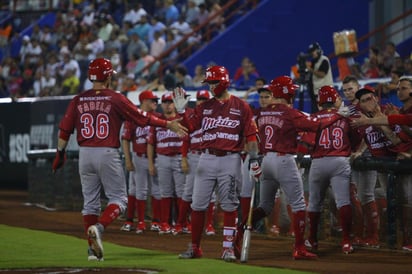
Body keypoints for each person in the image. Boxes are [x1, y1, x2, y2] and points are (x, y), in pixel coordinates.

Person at [51, 58, 187, 261]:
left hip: (85, 153)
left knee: (90, 204)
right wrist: (168, 125)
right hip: (106, 151)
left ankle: (92, 251)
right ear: (107, 77)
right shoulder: (115, 98)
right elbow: (143, 117)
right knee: (119, 200)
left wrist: (60, 153)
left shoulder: (78, 99)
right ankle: (99, 227)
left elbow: (64, 130)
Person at [236, 76, 337, 260]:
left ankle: (239, 232)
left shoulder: (262, 113)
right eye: (292, 89)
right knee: (298, 204)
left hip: (265, 160)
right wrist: (335, 115)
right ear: (287, 92)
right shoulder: (289, 113)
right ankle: (299, 248)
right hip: (284, 161)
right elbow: (317, 125)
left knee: (264, 206)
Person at [173, 65, 260, 262]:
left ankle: (227, 249)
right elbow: (188, 127)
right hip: (206, 158)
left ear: (224, 81)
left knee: (229, 205)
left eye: (214, 82)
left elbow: (251, 136)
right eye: (210, 83)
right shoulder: (204, 107)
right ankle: (195, 247)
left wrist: (254, 159)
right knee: (198, 205)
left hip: (231, 159)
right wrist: (181, 112)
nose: (211, 86)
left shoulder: (241, 106)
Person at [305, 85, 355, 255]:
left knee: (314, 203)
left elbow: (306, 143)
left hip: (319, 161)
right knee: (343, 201)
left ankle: (312, 239)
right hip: (340, 160)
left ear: (320, 101)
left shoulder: (314, 117)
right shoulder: (345, 116)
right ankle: (347, 241)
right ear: (334, 99)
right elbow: (354, 139)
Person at [174, 89, 216, 236]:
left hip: (209, 155)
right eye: (199, 99)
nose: (201, 102)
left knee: (211, 194)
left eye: (204, 99)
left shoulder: (214, 116)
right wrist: (184, 158)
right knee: (188, 191)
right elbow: (186, 138)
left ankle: (209, 225)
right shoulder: (192, 115)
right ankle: (181, 223)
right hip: (193, 156)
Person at [120, 90, 162, 234]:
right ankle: (135, 221)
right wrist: (128, 159)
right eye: (152, 100)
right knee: (137, 190)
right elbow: (125, 139)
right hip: (138, 156)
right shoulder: (132, 117)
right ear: (144, 101)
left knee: (157, 190)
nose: (155, 103)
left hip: (157, 158)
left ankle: (155, 221)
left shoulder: (158, 117)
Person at [147, 92, 187, 234]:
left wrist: (184, 158)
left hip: (178, 157)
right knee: (165, 192)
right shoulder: (157, 120)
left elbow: (186, 141)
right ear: (161, 104)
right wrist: (151, 163)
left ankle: (181, 223)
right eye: (165, 102)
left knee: (181, 192)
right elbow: (151, 144)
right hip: (162, 158)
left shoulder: (182, 119)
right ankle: (165, 222)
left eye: (170, 102)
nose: (168, 104)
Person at [306, 42, 334, 113]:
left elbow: (322, 74)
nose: (312, 53)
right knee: (315, 114)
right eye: (311, 52)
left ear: (318, 50)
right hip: (315, 92)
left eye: (313, 51)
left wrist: (310, 69)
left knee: (325, 113)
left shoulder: (324, 59)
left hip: (325, 93)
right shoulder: (313, 61)